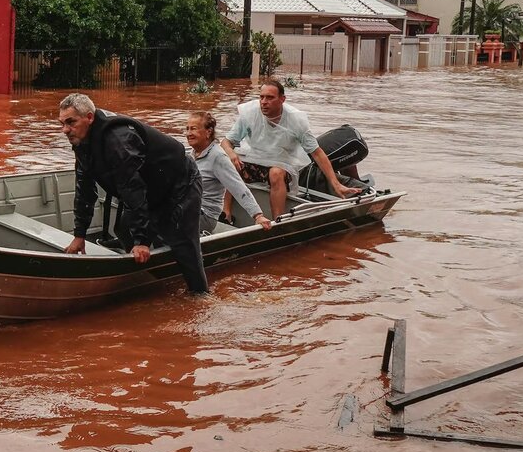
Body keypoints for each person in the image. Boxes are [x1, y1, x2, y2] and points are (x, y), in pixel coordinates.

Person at [58, 93, 208, 294]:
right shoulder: (81, 141)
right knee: (124, 228)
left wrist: (142, 241)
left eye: (70, 122)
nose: (65, 130)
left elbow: (133, 188)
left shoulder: (119, 139)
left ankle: (200, 296)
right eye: (62, 124)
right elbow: (84, 189)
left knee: (182, 241)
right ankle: (148, 282)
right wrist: (79, 235)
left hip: (181, 184)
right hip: (152, 189)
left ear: (90, 118)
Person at [220, 78, 359, 219]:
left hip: (281, 165)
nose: (264, 102)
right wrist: (231, 153)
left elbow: (317, 153)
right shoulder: (250, 114)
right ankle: (226, 213)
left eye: (270, 98)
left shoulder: (296, 121)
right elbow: (226, 142)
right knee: (229, 162)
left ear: (282, 99)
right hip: (254, 159)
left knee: (276, 173)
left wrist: (336, 184)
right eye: (261, 97)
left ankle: (278, 221)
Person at [185, 111, 272, 234]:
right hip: (189, 208)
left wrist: (258, 215)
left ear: (208, 132)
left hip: (205, 216)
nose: (188, 134)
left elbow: (238, 187)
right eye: (187, 129)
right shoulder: (192, 154)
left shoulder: (218, 157)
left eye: (193, 129)